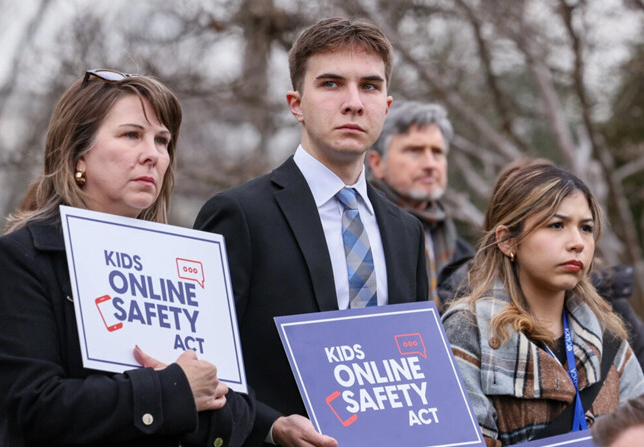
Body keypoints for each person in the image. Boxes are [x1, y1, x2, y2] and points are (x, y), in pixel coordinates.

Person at [0, 70, 254, 447]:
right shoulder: (22, 258)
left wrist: (200, 398)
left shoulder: (189, 263)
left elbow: (236, 414)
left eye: (162, 141)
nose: (152, 155)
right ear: (78, 155)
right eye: (131, 135)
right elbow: (36, 408)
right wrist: (169, 388)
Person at [194, 17, 428, 447]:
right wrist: (270, 425)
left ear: (387, 107)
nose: (354, 102)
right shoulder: (239, 214)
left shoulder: (406, 231)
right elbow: (204, 363)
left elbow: (413, 362)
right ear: (296, 103)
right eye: (332, 84)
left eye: (370, 86)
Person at [441, 161, 644, 446]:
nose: (577, 242)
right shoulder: (469, 328)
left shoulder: (606, 329)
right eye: (556, 225)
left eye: (586, 228)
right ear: (507, 241)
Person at [367, 100, 474, 309]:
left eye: (437, 152)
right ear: (377, 163)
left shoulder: (463, 252)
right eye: (414, 150)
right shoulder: (357, 232)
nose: (430, 164)